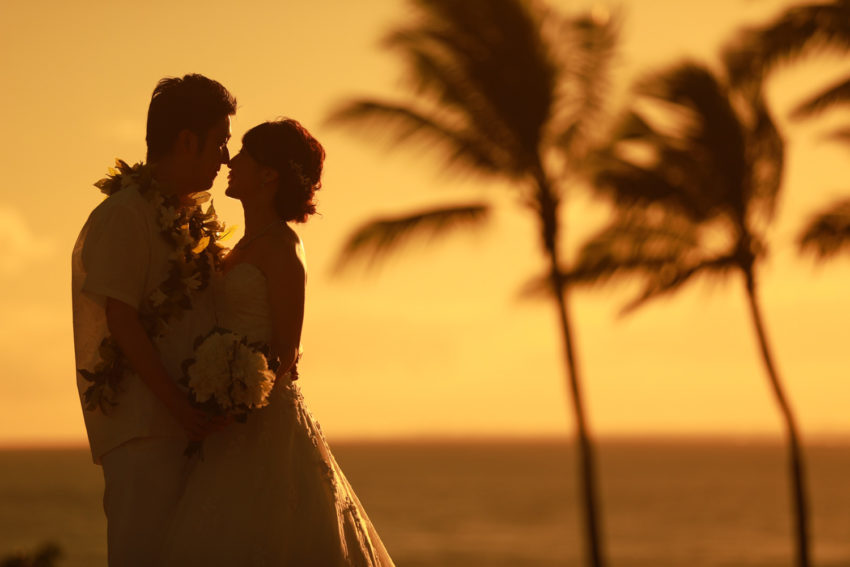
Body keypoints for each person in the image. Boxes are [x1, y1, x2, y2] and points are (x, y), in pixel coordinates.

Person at [162, 119, 395, 566]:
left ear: (269, 175)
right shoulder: (241, 247)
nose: (232, 160)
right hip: (227, 428)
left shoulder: (284, 248)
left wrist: (238, 393)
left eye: (246, 153)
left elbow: (288, 349)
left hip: (263, 424)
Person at [71, 74, 237, 566]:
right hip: (145, 431)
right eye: (220, 142)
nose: (225, 156)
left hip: (185, 430)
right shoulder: (125, 215)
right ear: (187, 141)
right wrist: (178, 408)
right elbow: (121, 319)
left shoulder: (187, 220)